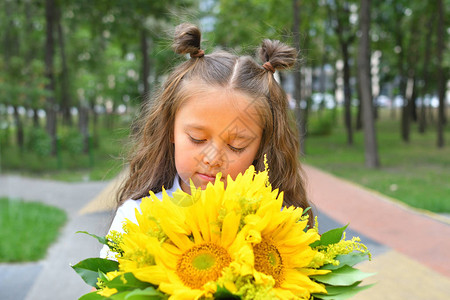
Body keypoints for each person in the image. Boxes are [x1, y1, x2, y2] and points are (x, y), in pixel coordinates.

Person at [100, 23, 313, 258]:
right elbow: (103, 290)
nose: (212, 159)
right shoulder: (137, 216)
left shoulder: (278, 222)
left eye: (236, 145)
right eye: (197, 139)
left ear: (261, 146)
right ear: (170, 129)